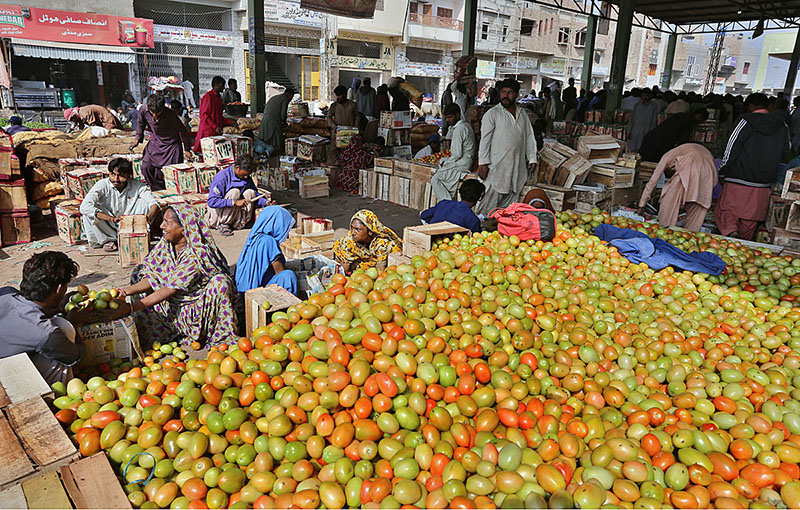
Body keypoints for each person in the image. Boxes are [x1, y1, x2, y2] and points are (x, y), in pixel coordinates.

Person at [115, 204, 237, 349]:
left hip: (196, 310)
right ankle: (153, 334)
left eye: (167, 222)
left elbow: (170, 289)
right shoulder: (165, 245)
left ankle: (213, 337)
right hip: (171, 306)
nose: (161, 226)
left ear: (184, 229)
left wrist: (131, 308)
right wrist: (123, 291)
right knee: (139, 272)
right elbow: (153, 276)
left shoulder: (198, 254)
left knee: (220, 283)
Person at [0, 252, 101, 384]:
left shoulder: (6, 293)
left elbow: (24, 316)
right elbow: (77, 356)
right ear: (59, 289)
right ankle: (54, 395)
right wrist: (73, 323)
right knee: (64, 326)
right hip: (7, 384)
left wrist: (57, 309)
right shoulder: (46, 333)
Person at [716, 93, 791, 240]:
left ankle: (731, 231)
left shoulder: (744, 120)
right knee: (750, 218)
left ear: (750, 105)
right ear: (768, 105)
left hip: (738, 176)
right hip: (764, 182)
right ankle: (743, 242)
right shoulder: (782, 125)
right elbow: (786, 152)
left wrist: (723, 171)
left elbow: (731, 147)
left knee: (727, 211)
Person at [475, 79, 537, 216]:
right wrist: (483, 163)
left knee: (507, 209)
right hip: (496, 167)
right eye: (503, 92)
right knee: (486, 207)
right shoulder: (492, 114)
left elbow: (529, 137)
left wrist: (532, 157)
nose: (505, 96)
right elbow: (484, 141)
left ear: (516, 94)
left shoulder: (523, 114)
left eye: (510, 93)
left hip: (516, 167)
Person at [80, 158, 160, 251]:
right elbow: (85, 206)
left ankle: (134, 235)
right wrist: (111, 218)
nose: (116, 179)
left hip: (129, 223)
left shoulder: (137, 185)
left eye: (120, 175)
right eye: (113, 175)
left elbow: (153, 203)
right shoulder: (102, 184)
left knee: (144, 203)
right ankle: (107, 240)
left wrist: (147, 218)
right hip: (108, 223)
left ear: (129, 175)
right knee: (89, 211)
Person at [637, 143, 717, 232]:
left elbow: (653, 180)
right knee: (697, 211)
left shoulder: (668, 155)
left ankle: (665, 231)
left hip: (688, 167)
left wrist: (642, 204)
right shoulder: (687, 150)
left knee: (668, 204)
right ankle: (691, 236)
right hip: (708, 174)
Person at [130, 94, 192, 191]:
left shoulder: (170, 114)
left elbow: (182, 131)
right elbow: (140, 123)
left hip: (171, 145)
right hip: (155, 142)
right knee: (146, 167)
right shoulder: (143, 110)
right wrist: (137, 139)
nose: (155, 116)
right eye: (152, 113)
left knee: (170, 172)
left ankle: (169, 191)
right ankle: (157, 190)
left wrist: (187, 149)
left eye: (158, 114)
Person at [235, 206, 298, 294]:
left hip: (242, 289)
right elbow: (279, 271)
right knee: (288, 276)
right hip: (255, 292)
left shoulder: (254, 238)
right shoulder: (268, 241)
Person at [206, 154, 268, 236]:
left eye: (247, 175)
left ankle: (241, 223)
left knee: (250, 192)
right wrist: (234, 202)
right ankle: (224, 224)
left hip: (237, 216)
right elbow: (212, 201)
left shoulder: (246, 178)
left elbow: (256, 196)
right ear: (237, 167)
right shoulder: (222, 177)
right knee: (234, 192)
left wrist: (265, 202)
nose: (246, 177)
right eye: (243, 175)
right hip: (219, 217)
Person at [333, 210, 403, 274]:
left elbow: (379, 273)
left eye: (358, 229)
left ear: (370, 231)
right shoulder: (349, 242)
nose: (353, 232)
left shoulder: (381, 244)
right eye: (352, 228)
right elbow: (343, 272)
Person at [431, 104, 476, 201]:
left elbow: (457, 154)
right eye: (446, 118)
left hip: (461, 164)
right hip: (465, 162)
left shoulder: (459, 129)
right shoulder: (465, 126)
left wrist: (446, 161)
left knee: (435, 179)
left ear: (458, 115)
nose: (448, 120)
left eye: (450, 117)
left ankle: (448, 204)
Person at [638, 109, 709, 163]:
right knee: (651, 165)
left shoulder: (681, 115)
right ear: (699, 116)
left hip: (652, 138)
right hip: (660, 144)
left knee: (643, 162)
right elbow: (683, 139)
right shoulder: (689, 122)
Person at [192, 76, 230, 153]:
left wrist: (229, 121)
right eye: (222, 85)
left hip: (215, 131)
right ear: (216, 85)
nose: (223, 88)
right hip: (207, 131)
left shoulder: (219, 98)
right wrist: (214, 126)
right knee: (205, 153)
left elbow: (218, 116)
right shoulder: (208, 97)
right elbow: (204, 115)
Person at [327, 85, 359, 164]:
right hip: (337, 133)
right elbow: (328, 117)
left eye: (339, 95)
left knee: (350, 154)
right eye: (336, 95)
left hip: (350, 134)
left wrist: (356, 126)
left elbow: (358, 117)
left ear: (344, 95)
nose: (337, 97)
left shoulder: (353, 105)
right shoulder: (334, 106)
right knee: (333, 153)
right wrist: (334, 126)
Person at [259, 87, 294, 155]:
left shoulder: (275, 97)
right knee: (275, 143)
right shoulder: (285, 99)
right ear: (290, 95)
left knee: (266, 143)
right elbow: (283, 114)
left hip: (264, 121)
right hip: (273, 123)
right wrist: (284, 123)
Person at [627, 88, 660, 152]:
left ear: (650, 96)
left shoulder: (653, 106)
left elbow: (654, 121)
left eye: (647, 96)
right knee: (633, 148)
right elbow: (632, 119)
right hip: (635, 130)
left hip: (646, 130)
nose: (645, 97)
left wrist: (652, 132)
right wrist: (629, 131)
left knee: (643, 147)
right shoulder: (637, 105)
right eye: (643, 96)